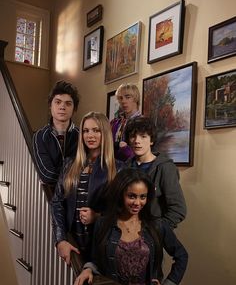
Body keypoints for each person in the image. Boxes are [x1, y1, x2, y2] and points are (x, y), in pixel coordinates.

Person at [75, 168, 188, 285]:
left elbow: (181, 255)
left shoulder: (157, 225)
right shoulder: (104, 223)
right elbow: (95, 258)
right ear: (121, 194)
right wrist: (87, 269)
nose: (137, 202)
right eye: (132, 196)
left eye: (143, 197)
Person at [51, 112, 122, 264]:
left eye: (96, 130)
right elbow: (57, 202)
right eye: (85, 130)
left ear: (105, 133)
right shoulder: (69, 164)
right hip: (72, 244)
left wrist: (97, 216)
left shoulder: (119, 168)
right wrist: (60, 239)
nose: (90, 135)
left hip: (101, 247)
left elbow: (125, 211)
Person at [124, 117, 186, 228]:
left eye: (143, 136)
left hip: (151, 236)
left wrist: (157, 231)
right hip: (126, 233)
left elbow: (178, 209)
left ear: (151, 140)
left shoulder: (165, 168)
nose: (137, 141)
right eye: (133, 136)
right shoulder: (125, 167)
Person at [33, 80, 79, 190]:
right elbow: (46, 174)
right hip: (50, 199)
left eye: (68, 103)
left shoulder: (82, 135)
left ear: (74, 109)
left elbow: (87, 171)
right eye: (58, 102)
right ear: (50, 105)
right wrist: (75, 178)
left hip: (78, 198)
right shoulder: (40, 136)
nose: (62, 107)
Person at [110, 83, 142, 161]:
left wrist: (124, 149)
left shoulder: (143, 123)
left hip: (134, 169)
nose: (123, 101)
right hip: (114, 168)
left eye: (127, 97)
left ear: (136, 98)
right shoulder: (115, 123)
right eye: (120, 98)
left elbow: (144, 153)